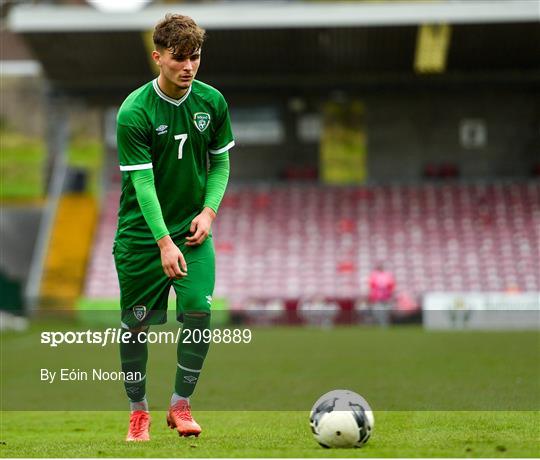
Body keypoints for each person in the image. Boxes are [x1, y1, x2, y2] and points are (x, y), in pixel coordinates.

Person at [113, 14, 234, 441]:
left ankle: (180, 406)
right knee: (135, 325)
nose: (189, 66)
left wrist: (209, 212)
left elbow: (219, 162)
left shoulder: (212, 103)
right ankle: (138, 413)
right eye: (179, 58)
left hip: (192, 231)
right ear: (158, 57)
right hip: (141, 237)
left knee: (200, 314)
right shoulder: (134, 111)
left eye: (195, 57)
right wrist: (163, 242)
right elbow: (143, 185)